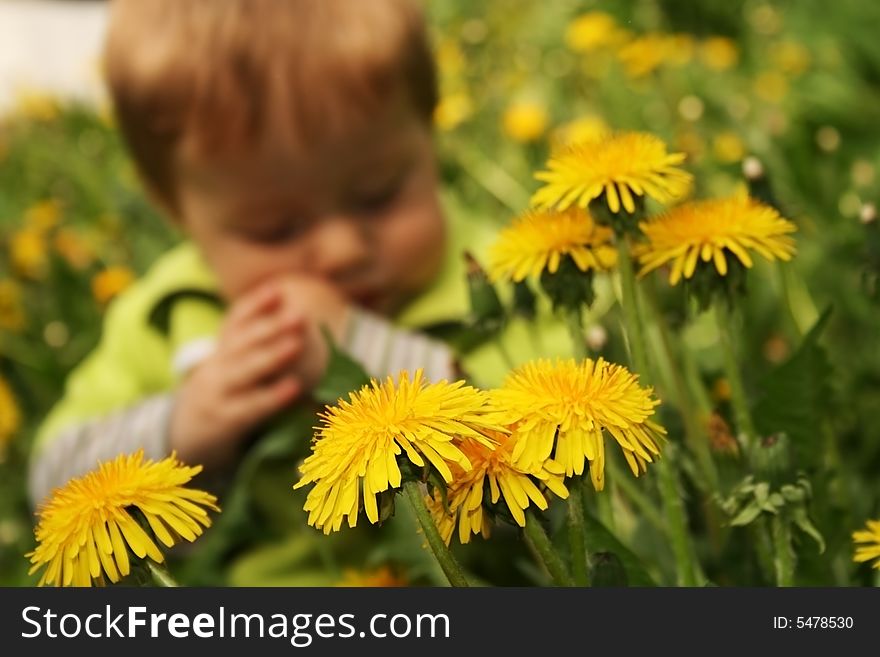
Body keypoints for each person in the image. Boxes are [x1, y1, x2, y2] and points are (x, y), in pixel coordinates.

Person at [28, 0, 573, 584]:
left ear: (430, 129)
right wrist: (184, 428)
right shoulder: (168, 315)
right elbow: (51, 490)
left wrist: (365, 354)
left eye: (379, 194)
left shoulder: (504, 273)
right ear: (175, 211)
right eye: (275, 229)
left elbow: (575, 465)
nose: (341, 250)